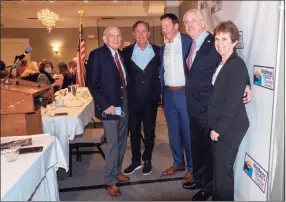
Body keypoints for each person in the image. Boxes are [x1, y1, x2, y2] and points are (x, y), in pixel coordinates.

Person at [182, 9, 251, 201]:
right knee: (202, 153)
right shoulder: (192, 45)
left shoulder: (213, 44)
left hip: (214, 115)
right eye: (186, 22)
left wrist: (247, 84)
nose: (189, 25)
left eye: (193, 21)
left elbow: (237, 70)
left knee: (219, 167)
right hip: (197, 109)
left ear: (203, 23)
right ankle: (201, 180)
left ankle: (208, 188)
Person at [209, 20, 250, 201]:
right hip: (223, 124)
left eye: (224, 39)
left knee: (223, 173)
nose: (219, 43)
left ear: (234, 42)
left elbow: (232, 103)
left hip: (230, 127)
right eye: (217, 39)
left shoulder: (236, 65)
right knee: (219, 170)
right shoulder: (223, 61)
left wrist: (219, 129)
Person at [86, 26, 130, 197]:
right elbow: (92, 83)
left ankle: (117, 171)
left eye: (118, 35)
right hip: (109, 106)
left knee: (121, 140)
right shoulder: (97, 55)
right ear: (105, 39)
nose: (116, 38)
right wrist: (105, 105)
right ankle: (110, 180)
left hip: (123, 103)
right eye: (112, 35)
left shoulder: (121, 55)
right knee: (112, 143)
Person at [122, 21, 161, 176]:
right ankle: (136, 160)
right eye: (137, 31)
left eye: (143, 31)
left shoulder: (158, 52)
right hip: (133, 101)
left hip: (151, 101)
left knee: (150, 132)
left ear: (148, 34)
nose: (141, 34)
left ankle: (148, 159)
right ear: (133, 34)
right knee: (134, 131)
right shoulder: (126, 52)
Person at [159, 13, 194, 184]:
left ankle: (192, 168)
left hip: (184, 93)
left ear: (176, 26)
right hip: (168, 94)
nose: (163, 29)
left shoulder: (188, 42)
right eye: (162, 26)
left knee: (188, 132)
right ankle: (178, 163)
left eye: (166, 26)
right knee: (173, 132)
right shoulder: (163, 48)